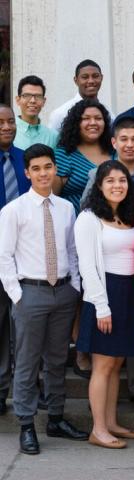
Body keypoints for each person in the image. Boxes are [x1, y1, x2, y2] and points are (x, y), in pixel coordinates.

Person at [0, 144, 88, 455]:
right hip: (30, 292)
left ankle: (56, 417)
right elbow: (4, 256)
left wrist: (75, 286)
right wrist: (18, 296)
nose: (43, 173)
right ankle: (26, 424)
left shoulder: (66, 208)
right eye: (36, 169)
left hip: (63, 291)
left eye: (47, 167)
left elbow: (72, 251)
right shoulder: (13, 210)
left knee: (56, 360)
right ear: (27, 173)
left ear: (54, 169)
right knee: (26, 362)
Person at [81, 116, 134, 409]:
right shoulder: (95, 181)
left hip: (133, 272)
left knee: (123, 350)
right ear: (114, 142)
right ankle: (100, 421)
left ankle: (129, 395)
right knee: (105, 360)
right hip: (105, 275)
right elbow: (87, 232)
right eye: (123, 139)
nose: (129, 144)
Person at [75, 160, 134, 449]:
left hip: (128, 292)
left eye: (122, 181)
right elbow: (88, 267)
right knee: (102, 365)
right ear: (99, 186)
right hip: (103, 294)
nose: (118, 185)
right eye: (111, 181)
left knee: (117, 363)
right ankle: (98, 429)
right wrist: (102, 307)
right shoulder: (89, 218)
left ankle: (112, 422)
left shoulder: (129, 217)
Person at [0, 104, 29, 417]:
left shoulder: (26, 160)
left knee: (23, 327)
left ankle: (27, 386)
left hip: (25, 260)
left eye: (10, 122)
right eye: (1, 123)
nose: (7, 127)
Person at [53, 99, 113, 215]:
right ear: (76, 123)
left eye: (98, 118)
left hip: (111, 226)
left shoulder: (114, 151)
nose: (93, 122)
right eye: (86, 118)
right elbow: (52, 198)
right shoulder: (64, 155)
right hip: (74, 226)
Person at [48, 59, 114, 133]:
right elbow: (52, 143)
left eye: (95, 76)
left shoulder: (109, 113)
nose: (91, 81)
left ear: (101, 78)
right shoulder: (60, 114)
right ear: (76, 80)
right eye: (85, 77)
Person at [14, 75, 58, 150]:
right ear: (18, 100)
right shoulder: (8, 132)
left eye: (38, 96)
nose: (33, 100)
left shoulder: (53, 136)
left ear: (44, 101)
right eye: (27, 95)